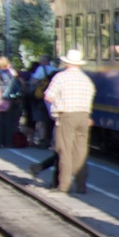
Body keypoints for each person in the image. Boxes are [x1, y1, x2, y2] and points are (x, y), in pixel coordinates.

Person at [42, 47, 96, 194]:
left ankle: (64, 185)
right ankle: (81, 186)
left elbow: (48, 96)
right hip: (84, 116)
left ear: (67, 63)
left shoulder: (61, 77)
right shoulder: (87, 80)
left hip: (66, 116)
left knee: (64, 151)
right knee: (81, 151)